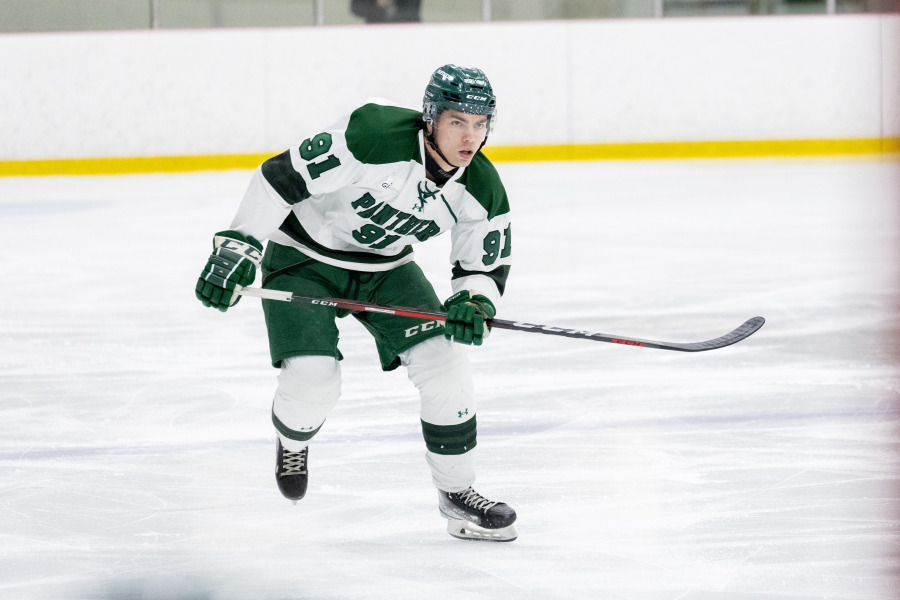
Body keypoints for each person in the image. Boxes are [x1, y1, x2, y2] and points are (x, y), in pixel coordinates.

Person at [195, 65, 516, 542]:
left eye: (480, 123)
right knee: (313, 377)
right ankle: (292, 441)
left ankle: (457, 495)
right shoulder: (373, 136)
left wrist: (474, 302)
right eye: (457, 122)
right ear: (429, 119)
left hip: (386, 269)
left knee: (446, 364)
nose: (470, 137)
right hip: (303, 257)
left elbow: (482, 268)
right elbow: (280, 177)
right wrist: (239, 244)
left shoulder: (482, 187)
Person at [350, 0, 421, 23]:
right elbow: (356, 8)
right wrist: (378, 7)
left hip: (407, 30)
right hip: (374, 30)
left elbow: (413, 10)